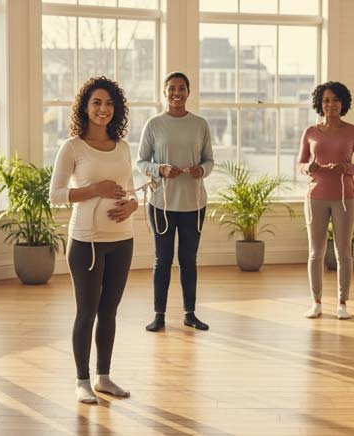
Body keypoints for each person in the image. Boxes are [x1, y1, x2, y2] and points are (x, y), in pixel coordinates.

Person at [49, 76, 137, 404]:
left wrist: (132, 204)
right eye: (97, 102)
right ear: (85, 108)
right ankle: (82, 380)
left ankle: (103, 377)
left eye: (109, 103)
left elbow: (130, 189)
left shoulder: (123, 147)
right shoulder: (72, 147)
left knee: (109, 311)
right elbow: (56, 194)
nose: (103, 109)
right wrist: (95, 189)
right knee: (86, 312)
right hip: (87, 242)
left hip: (122, 240)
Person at [137, 72, 214, 332]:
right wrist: (159, 169)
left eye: (181, 88)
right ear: (164, 92)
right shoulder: (153, 124)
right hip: (162, 205)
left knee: (188, 260)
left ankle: (190, 314)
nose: (176, 93)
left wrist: (201, 170)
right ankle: (158, 316)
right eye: (171, 88)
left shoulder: (200, 125)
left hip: (194, 203)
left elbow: (209, 160)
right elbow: (141, 162)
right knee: (163, 260)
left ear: (188, 92)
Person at [298, 81, 354, 320]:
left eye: (336, 100)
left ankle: (342, 303)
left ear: (343, 103)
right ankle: (316, 302)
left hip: (344, 198)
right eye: (326, 100)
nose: (331, 105)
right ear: (320, 104)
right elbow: (300, 164)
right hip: (315, 198)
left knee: (343, 253)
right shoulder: (310, 132)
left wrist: (346, 168)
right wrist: (308, 167)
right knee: (315, 253)